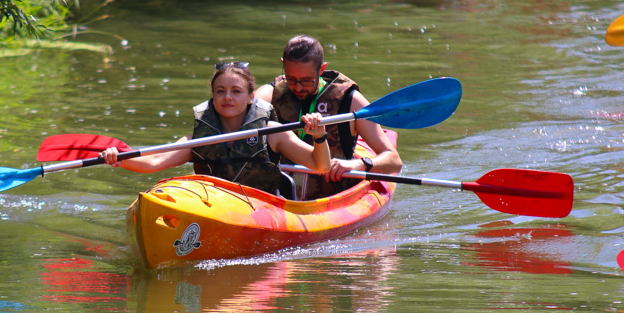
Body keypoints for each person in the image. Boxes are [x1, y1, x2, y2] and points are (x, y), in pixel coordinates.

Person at [98, 61, 331, 196]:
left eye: (236, 91)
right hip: (214, 207)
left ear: (251, 97)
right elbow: (154, 163)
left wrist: (319, 137)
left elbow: (320, 166)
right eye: (220, 91)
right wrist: (120, 159)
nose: (227, 97)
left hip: (263, 209)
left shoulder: (273, 132)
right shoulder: (197, 139)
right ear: (213, 96)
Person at [254, 35, 402, 200]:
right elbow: (242, 109)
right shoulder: (271, 93)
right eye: (291, 79)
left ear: (322, 69)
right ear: (283, 65)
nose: (298, 87)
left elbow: (394, 160)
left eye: (307, 80)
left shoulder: (350, 101)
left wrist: (359, 164)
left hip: (334, 198)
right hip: (279, 198)